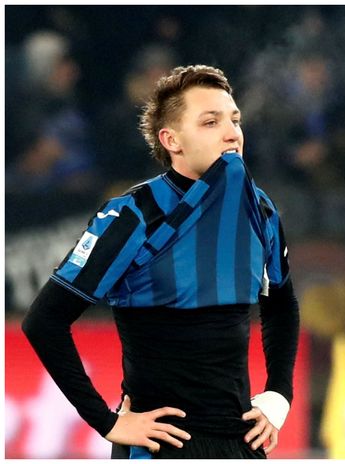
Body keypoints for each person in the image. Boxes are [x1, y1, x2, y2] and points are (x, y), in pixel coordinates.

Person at [22, 65, 300, 459]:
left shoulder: (261, 209)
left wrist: (279, 394)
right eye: (210, 121)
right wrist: (108, 422)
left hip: (240, 443)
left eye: (234, 120)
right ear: (172, 140)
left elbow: (282, 305)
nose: (232, 132)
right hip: (159, 445)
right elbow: (44, 320)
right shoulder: (133, 214)